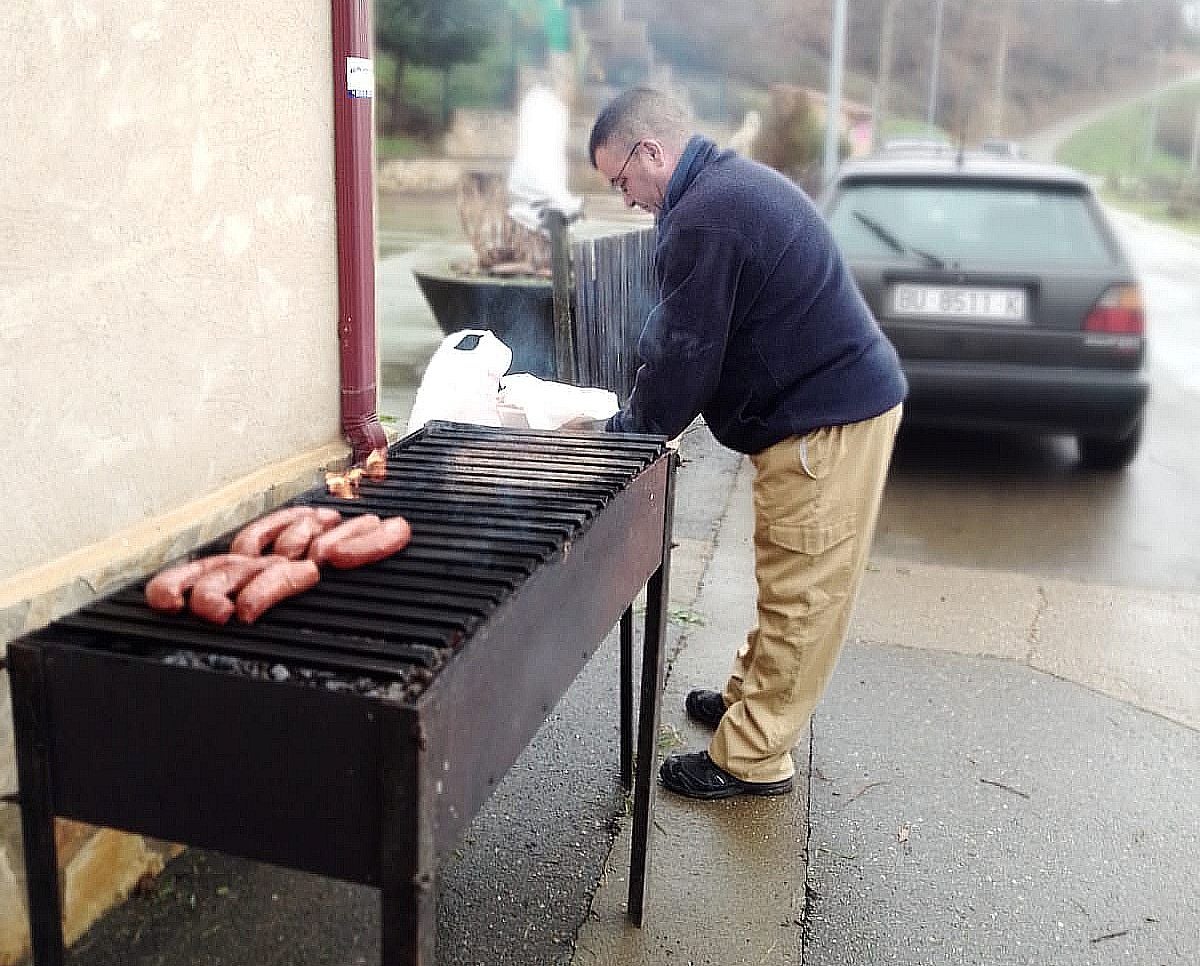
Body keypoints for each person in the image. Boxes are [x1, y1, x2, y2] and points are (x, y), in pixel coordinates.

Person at [588, 87, 907, 801]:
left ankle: (754, 757)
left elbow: (686, 359)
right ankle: (746, 697)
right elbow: (684, 333)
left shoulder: (709, 214)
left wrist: (625, 435)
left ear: (651, 153)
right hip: (819, 409)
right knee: (784, 570)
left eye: (621, 180)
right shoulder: (721, 190)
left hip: (826, 420)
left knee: (803, 591)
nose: (626, 197)